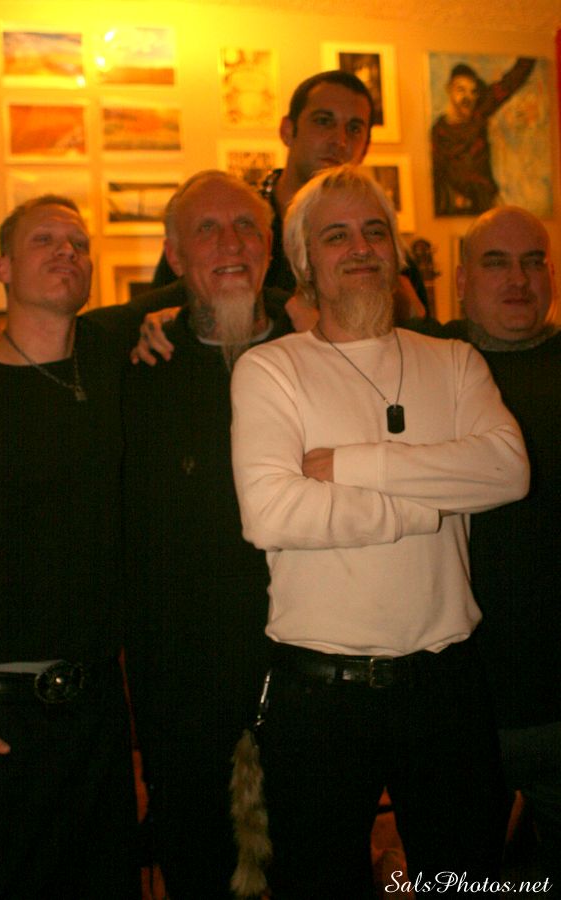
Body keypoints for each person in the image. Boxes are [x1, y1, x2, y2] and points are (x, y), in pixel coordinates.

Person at [229, 165, 530, 898]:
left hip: (447, 687)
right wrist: (428, 507)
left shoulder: (454, 361)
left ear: (395, 251)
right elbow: (273, 513)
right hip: (317, 696)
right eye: (336, 236)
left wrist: (355, 465)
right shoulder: (270, 370)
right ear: (304, 261)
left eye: (374, 231)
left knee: (465, 883)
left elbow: (506, 471)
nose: (360, 247)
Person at [99, 171, 289, 898]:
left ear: (271, 245)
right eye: (207, 229)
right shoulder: (134, 360)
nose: (230, 243)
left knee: (310, 861)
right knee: (195, 865)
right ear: (175, 257)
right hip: (179, 681)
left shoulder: (317, 340)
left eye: (246, 226)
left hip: (303, 668)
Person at [0, 196, 140, 900]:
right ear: (3, 267)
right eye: (45, 239)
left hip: (98, 717)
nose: (67, 250)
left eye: (78, 241)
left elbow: (193, 289)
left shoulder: (115, 360)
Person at [439, 207, 560, 894]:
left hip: (560, 703)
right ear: (461, 281)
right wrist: (157, 321)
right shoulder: (421, 360)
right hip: (458, 707)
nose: (518, 279)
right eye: (496, 263)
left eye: (533, 261)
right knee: (457, 881)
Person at [150, 70, 427, 332]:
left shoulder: (381, 250)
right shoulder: (235, 226)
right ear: (287, 130)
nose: (340, 140)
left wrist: (407, 317)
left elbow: (414, 338)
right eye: (323, 121)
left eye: (354, 128)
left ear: (366, 146)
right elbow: (158, 313)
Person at [431, 58, 535, 216]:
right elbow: (436, 176)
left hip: (487, 203)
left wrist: (528, 59)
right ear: (449, 89)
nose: (468, 97)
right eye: (461, 90)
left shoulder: (478, 113)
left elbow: (510, 82)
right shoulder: (439, 132)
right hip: (456, 210)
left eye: (473, 92)